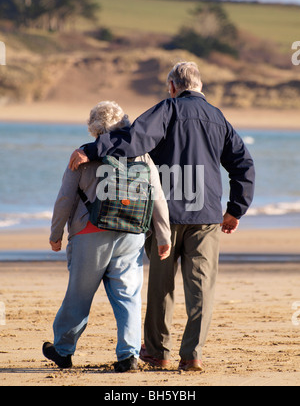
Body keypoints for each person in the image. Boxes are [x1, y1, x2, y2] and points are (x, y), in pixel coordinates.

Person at [69, 62, 255, 371]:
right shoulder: (218, 118)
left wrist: (94, 147)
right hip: (206, 216)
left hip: (164, 215)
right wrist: (236, 209)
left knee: (160, 286)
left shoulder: (167, 110)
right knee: (201, 289)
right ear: (199, 86)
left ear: (172, 86)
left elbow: (133, 141)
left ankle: (157, 352)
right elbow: (243, 165)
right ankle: (192, 354)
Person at [43, 101, 171, 372]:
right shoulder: (142, 156)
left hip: (89, 234)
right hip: (132, 232)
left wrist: (56, 234)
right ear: (124, 124)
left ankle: (63, 350)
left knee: (79, 295)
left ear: (93, 128)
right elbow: (157, 197)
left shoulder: (82, 156)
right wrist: (163, 236)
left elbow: (65, 198)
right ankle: (129, 355)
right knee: (128, 296)